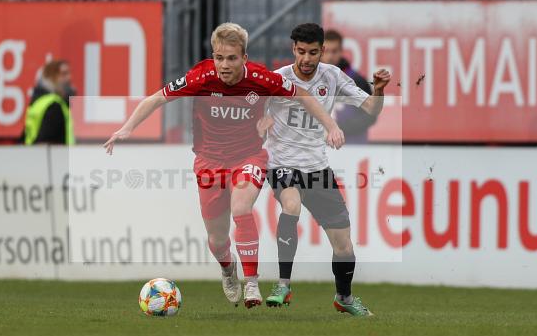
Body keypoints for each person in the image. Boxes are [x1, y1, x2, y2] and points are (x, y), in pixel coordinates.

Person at [103, 23, 345, 308]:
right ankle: (229, 269)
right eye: (219, 57)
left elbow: (303, 95)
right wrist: (127, 128)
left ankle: (252, 284)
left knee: (241, 207)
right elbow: (157, 98)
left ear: (244, 58)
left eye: (231, 58)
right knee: (217, 239)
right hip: (209, 161)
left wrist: (331, 125)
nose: (224, 65)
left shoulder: (260, 78)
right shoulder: (201, 78)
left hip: (248, 157)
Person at [258, 23, 389, 317]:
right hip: (282, 163)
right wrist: (260, 126)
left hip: (317, 168)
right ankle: (283, 285)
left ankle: (344, 297)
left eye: (313, 52)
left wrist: (379, 90)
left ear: (321, 52)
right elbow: (254, 117)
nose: (306, 58)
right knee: (290, 205)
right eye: (301, 51)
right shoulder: (278, 79)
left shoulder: (332, 76)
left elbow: (371, 109)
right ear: (293, 49)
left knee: (343, 246)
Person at [321, 29, 374, 144]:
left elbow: (371, 115)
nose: (330, 56)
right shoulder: (311, 80)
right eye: (326, 51)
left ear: (341, 52)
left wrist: (338, 128)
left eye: (334, 51)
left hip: (352, 147)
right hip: (322, 150)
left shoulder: (357, 81)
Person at [23, 59, 76, 145]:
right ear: (51, 77)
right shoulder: (54, 106)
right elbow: (44, 143)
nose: (69, 78)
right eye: (63, 74)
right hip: (53, 157)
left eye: (69, 73)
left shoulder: (38, 101)